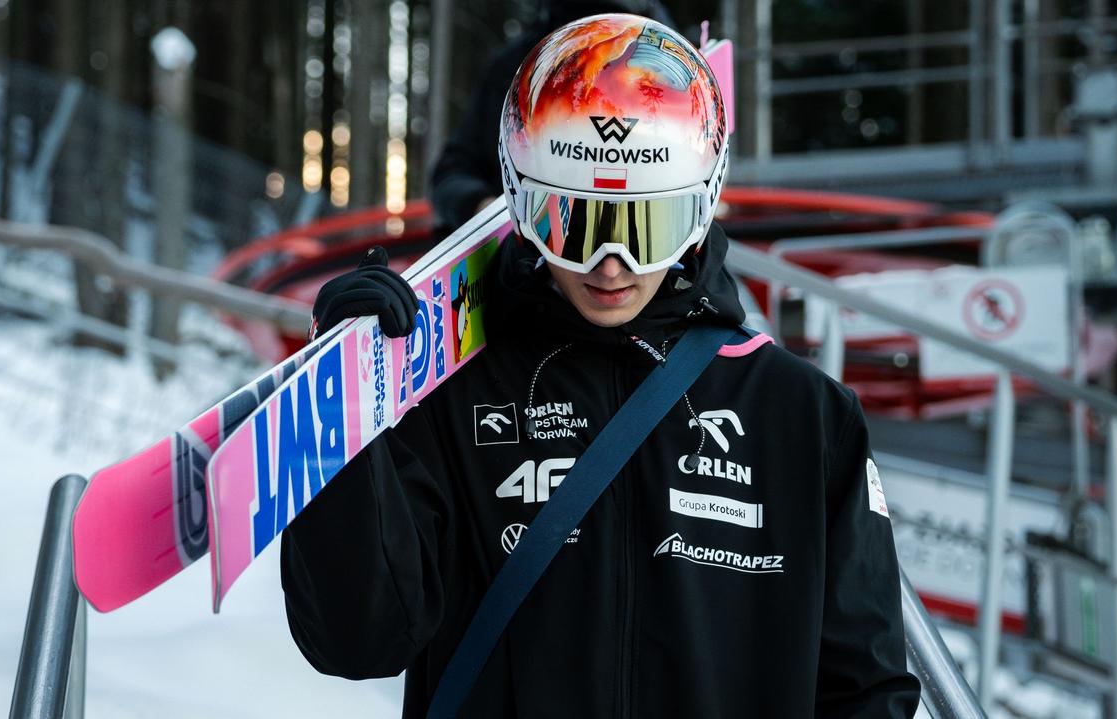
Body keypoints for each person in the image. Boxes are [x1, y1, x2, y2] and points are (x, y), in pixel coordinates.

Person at [283, 14, 920, 718]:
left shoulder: (802, 416)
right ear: (519, 203)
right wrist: (344, 413)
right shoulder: (459, 395)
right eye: (572, 223)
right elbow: (357, 640)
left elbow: (867, 689)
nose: (609, 265)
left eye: (645, 228)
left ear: (701, 211)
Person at [429, 0, 674, 234]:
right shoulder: (516, 69)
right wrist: (487, 208)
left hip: (651, 245)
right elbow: (452, 172)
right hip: (533, 249)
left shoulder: (680, 70)